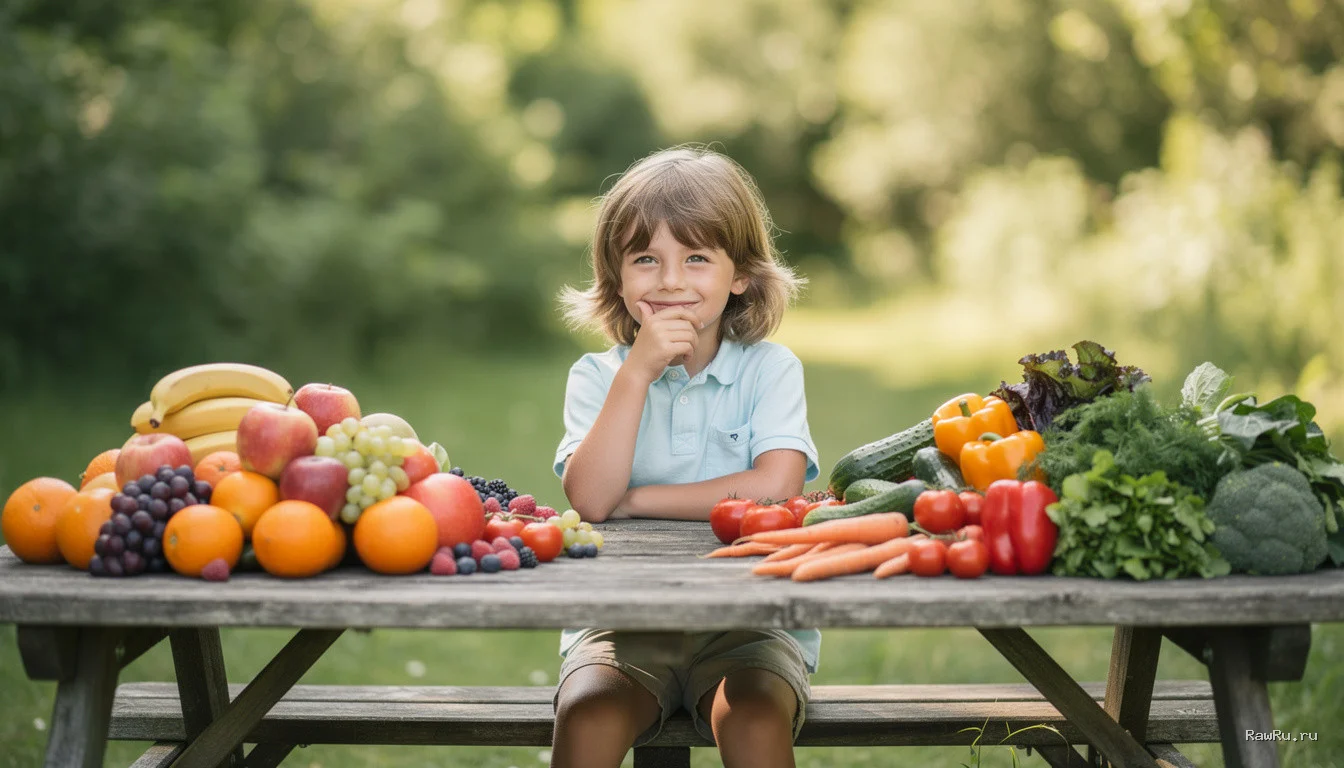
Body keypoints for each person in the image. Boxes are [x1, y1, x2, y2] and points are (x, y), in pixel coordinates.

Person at [549, 145, 820, 768]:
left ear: (741, 274)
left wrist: (637, 500)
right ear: (618, 277)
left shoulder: (769, 370)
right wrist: (637, 375)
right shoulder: (599, 376)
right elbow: (590, 499)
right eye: (646, 259)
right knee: (588, 713)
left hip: (750, 625)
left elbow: (776, 485)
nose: (670, 280)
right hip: (622, 624)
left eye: (697, 258)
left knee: (752, 717)